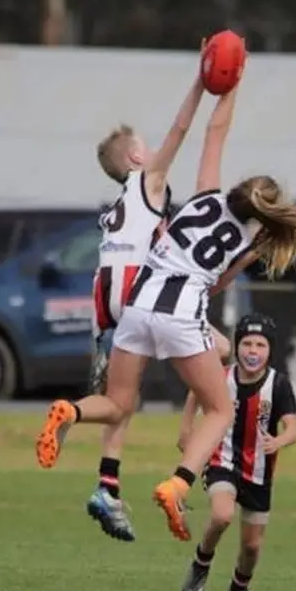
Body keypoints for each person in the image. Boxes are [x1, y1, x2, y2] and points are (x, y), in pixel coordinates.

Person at [35, 82, 296, 542]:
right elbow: (219, 282)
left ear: (237, 190)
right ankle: (177, 482)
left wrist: (228, 86)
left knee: (120, 403)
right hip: (181, 312)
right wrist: (247, 253)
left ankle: (71, 411)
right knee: (221, 410)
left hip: (137, 307)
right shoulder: (247, 240)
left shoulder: (204, 197)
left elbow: (213, 131)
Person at [84, 65, 232, 542]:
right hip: (143, 292)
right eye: (143, 146)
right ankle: (191, 441)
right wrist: (201, 84)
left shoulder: (115, 206)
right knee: (223, 352)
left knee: (122, 399)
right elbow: (182, 131)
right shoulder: (147, 180)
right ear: (134, 155)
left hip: (106, 293)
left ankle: (108, 482)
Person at [178, 314, 296, 591]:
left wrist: (278, 441)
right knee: (221, 515)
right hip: (222, 458)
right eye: (247, 343)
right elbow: (196, 390)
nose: (253, 351)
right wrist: (186, 428)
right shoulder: (221, 376)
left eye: (260, 344)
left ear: (270, 350)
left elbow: (292, 428)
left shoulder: (278, 385)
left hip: (258, 470)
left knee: (252, 546)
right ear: (237, 346)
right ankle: (200, 565)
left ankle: (239, 589)